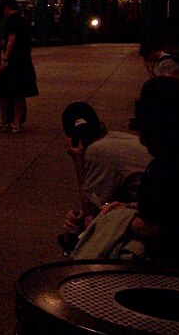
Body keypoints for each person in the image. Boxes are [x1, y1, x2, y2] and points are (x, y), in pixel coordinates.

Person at [75, 76, 179, 263]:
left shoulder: (169, 167)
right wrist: (128, 206)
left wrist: (117, 218)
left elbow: (150, 226)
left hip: (169, 264)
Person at [58, 101, 152, 253]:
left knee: (88, 224)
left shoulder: (97, 151)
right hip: (149, 203)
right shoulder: (115, 138)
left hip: (151, 217)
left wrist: (77, 161)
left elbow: (90, 206)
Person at [0, 0, 38, 133]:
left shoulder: (11, 20)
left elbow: (12, 39)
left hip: (13, 62)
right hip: (24, 61)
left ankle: (2, 119)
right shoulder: (23, 20)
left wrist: (5, 58)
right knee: (19, 94)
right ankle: (16, 122)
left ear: (6, 8)